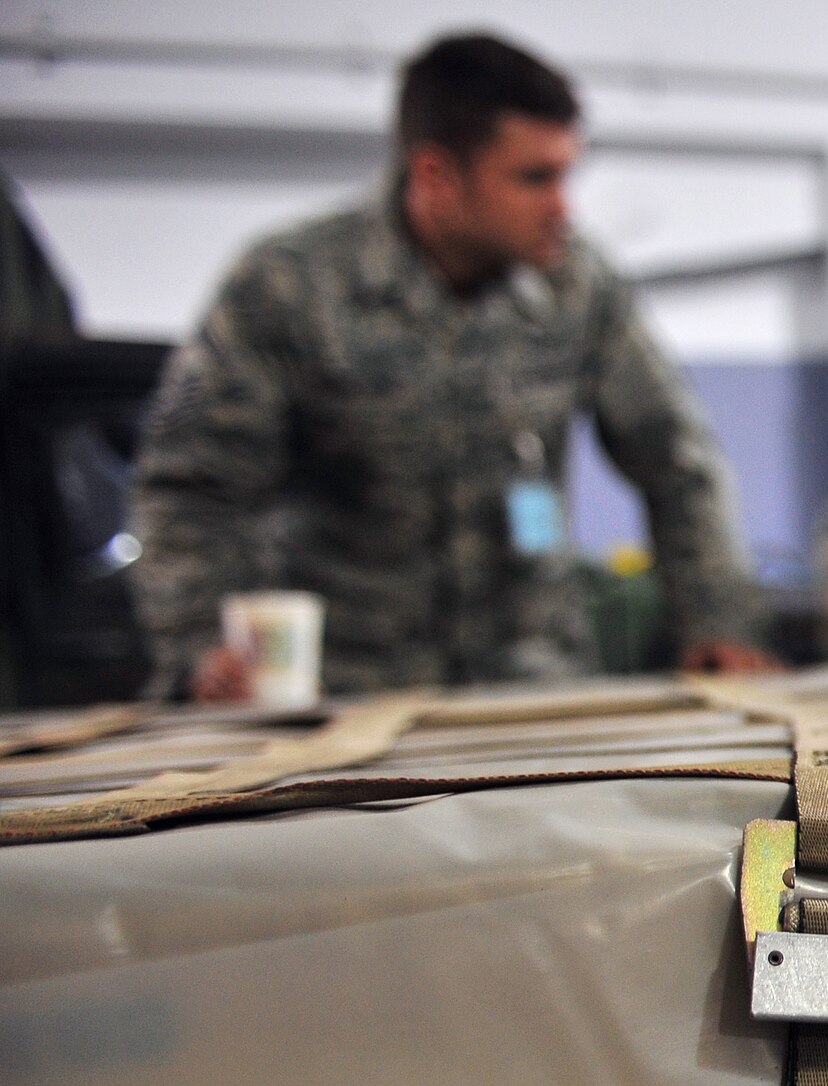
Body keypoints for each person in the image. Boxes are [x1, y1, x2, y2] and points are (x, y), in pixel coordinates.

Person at [133, 33, 772, 701]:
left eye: (566, 174)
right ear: (436, 176)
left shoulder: (578, 286)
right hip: (345, 701)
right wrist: (201, 650)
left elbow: (678, 459)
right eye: (534, 178)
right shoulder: (291, 287)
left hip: (534, 692)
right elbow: (192, 488)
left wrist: (720, 623)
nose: (564, 208)